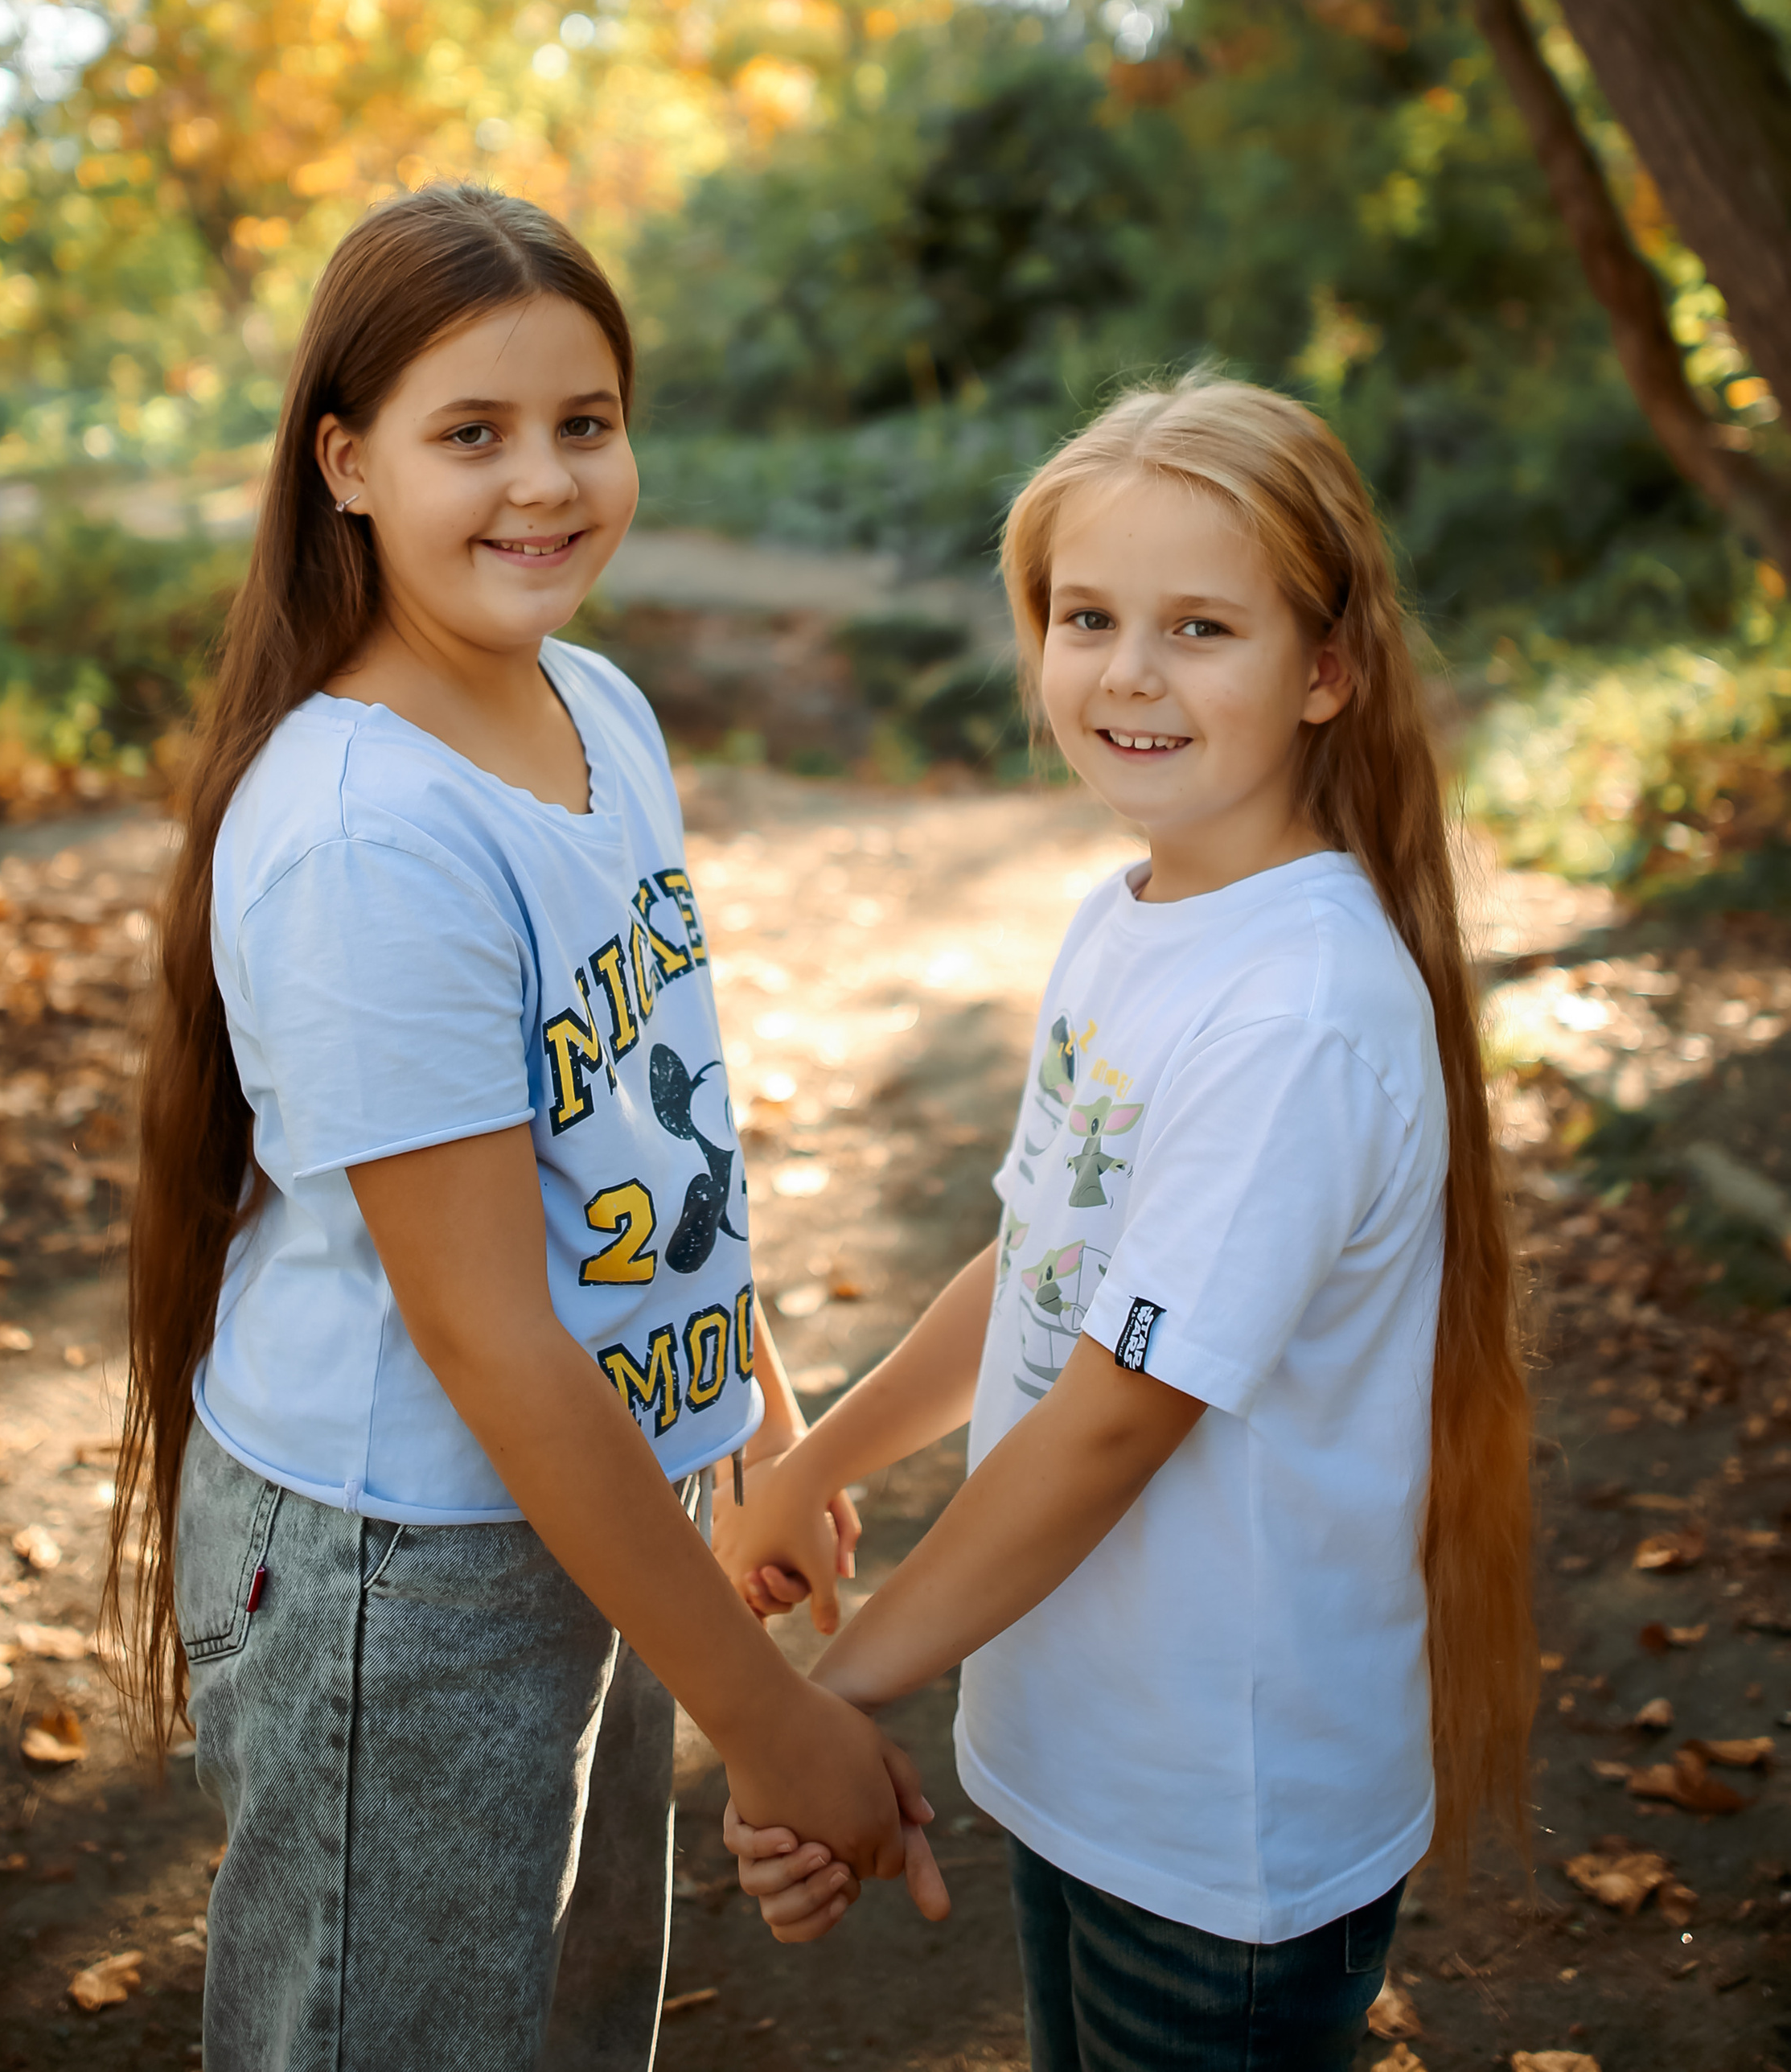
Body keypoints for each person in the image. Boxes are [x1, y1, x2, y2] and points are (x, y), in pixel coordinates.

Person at [105, 183, 941, 2072]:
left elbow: (647, 1116)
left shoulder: (598, 708)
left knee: (561, 2031)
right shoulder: (366, 833)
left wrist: (750, 1407)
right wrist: (766, 1722)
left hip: (602, 1498)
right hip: (413, 1567)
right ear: (347, 465)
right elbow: (486, 1335)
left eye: (584, 422)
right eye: (470, 434)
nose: (543, 482)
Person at [713, 373, 1536, 2072]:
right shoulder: (1129, 915)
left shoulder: (1298, 1011)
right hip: (1078, 1751)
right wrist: (821, 1458)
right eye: (1086, 617)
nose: (1128, 673)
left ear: (1324, 671)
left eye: (1200, 628)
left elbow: (1111, 1422)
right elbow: (1041, 1256)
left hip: (1219, 1828)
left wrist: (825, 1700)